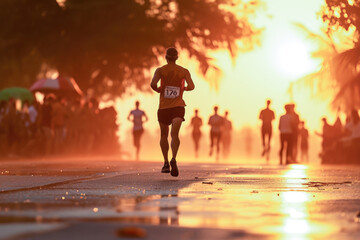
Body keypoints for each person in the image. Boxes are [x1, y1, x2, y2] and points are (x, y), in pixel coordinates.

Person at [150, 47, 195, 177]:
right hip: (178, 107)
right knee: (175, 134)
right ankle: (174, 158)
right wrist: (183, 88)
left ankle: (165, 163)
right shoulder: (183, 71)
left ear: (166, 57)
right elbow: (192, 86)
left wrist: (159, 90)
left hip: (164, 107)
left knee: (164, 135)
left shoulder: (160, 70)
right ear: (177, 58)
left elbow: (153, 84)